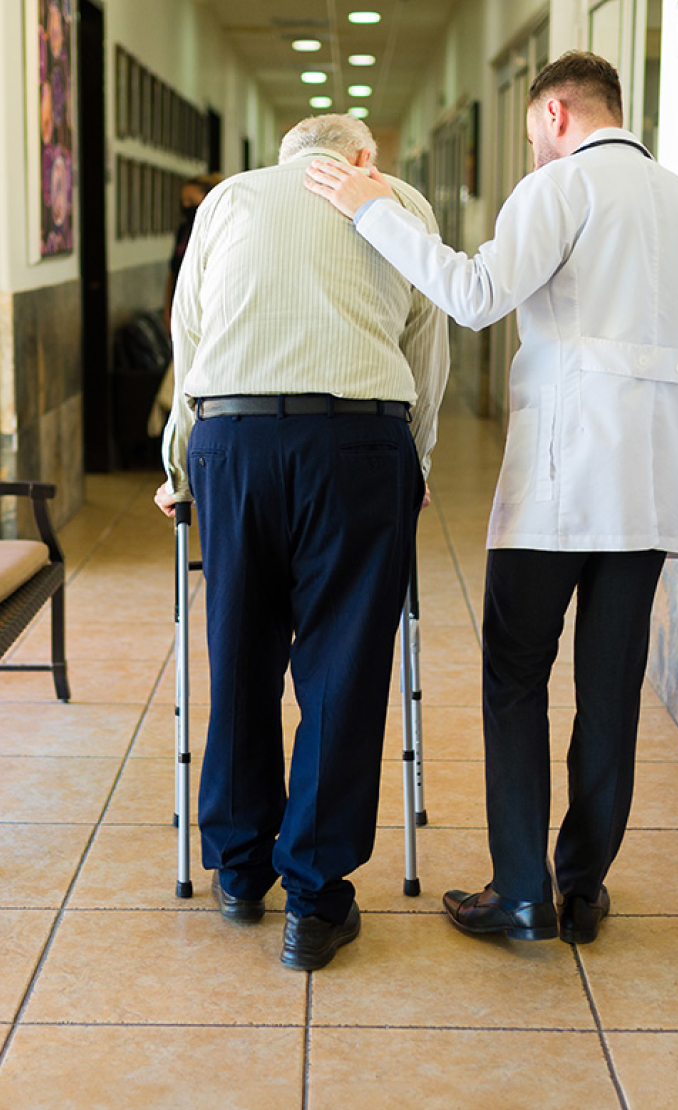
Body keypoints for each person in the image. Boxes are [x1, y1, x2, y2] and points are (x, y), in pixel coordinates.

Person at [306, 52, 678, 945]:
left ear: (553, 112)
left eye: (534, 130)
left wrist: (370, 210)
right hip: (653, 489)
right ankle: (582, 889)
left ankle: (521, 892)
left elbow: (472, 296)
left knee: (515, 675)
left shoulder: (560, 190)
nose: (534, 148)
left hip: (561, 483)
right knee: (611, 690)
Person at [154, 114, 449, 971]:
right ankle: (314, 904)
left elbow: (191, 337)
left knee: (240, 650)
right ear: (360, 158)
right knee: (343, 668)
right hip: (360, 445)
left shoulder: (229, 201)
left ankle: (242, 872)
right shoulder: (397, 203)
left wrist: (180, 466)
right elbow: (426, 353)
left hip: (234, 441)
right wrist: (418, 459)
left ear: (285, 159)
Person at [148, 173, 224, 438]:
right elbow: (173, 272)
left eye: (192, 200)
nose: (187, 206)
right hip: (183, 307)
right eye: (184, 201)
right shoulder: (184, 230)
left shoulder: (218, 226)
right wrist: (168, 310)